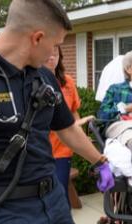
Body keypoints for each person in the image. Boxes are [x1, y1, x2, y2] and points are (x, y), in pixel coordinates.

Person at [0, 1, 114, 224]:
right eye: (55, 44)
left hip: (54, 202)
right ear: (37, 38)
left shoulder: (44, 78)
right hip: (6, 214)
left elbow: (66, 129)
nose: (54, 53)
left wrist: (100, 161)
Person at [44, 45, 93, 206]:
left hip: (62, 149)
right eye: (49, 53)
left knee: (61, 192)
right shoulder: (32, 81)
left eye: (56, 53)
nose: (52, 57)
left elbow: (73, 113)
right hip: (41, 148)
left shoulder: (68, 82)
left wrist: (79, 134)